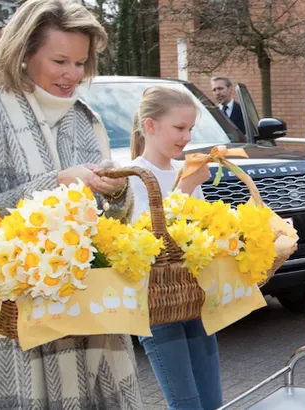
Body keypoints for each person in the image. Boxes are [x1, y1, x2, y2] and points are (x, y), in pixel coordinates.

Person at [0, 0, 142, 408]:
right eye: (60, 61)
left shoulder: (84, 118)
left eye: (81, 62)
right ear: (23, 54)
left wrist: (116, 194)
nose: (72, 75)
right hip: (14, 320)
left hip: (87, 317)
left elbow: (110, 228)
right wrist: (54, 183)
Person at [129, 85, 222, 409]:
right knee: (186, 404)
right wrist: (185, 187)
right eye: (179, 128)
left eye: (190, 129)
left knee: (212, 402)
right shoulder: (134, 177)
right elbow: (151, 239)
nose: (186, 137)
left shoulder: (185, 174)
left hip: (194, 300)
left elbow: (199, 232)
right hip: (157, 308)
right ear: (151, 126)